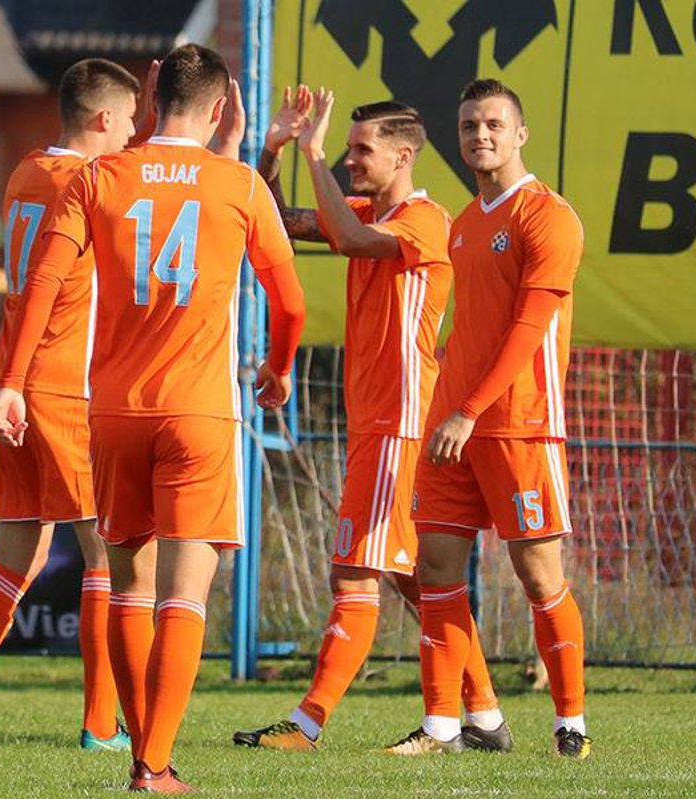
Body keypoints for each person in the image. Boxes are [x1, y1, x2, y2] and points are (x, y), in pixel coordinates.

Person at [0, 44, 306, 793]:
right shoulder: (239, 184)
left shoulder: (100, 175)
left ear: (154, 94)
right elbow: (290, 302)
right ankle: (152, 764)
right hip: (197, 411)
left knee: (128, 586)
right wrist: (280, 366)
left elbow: (43, 281)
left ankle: (140, 752)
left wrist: (12, 382)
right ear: (221, 109)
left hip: (112, 412)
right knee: (185, 594)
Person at [233, 86, 511, 755]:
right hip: (376, 423)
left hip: (401, 423)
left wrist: (313, 154)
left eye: (362, 150)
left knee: (354, 573)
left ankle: (307, 723)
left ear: (403, 156)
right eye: (348, 150)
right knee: (421, 580)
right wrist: (272, 152)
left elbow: (352, 239)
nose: (351, 161)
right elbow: (277, 221)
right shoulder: (364, 211)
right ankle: (485, 716)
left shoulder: (424, 221)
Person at [0, 57, 147, 751]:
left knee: (18, 554)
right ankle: (101, 722)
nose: (134, 134)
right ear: (102, 118)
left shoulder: (26, 170)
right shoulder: (86, 182)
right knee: (105, 554)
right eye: (129, 120)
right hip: (62, 381)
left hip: (12, 379)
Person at [404, 78, 590, 759]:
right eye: (468, 126)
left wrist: (469, 410)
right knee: (435, 566)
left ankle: (570, 722)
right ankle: (443, 727)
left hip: (519, 425)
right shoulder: (463, 223)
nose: (479, 135)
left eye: (492, 125)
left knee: (539, 576)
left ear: (520, 135)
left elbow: (529, 328)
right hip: (453, 425)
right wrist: (447, 408)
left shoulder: (549, 216)